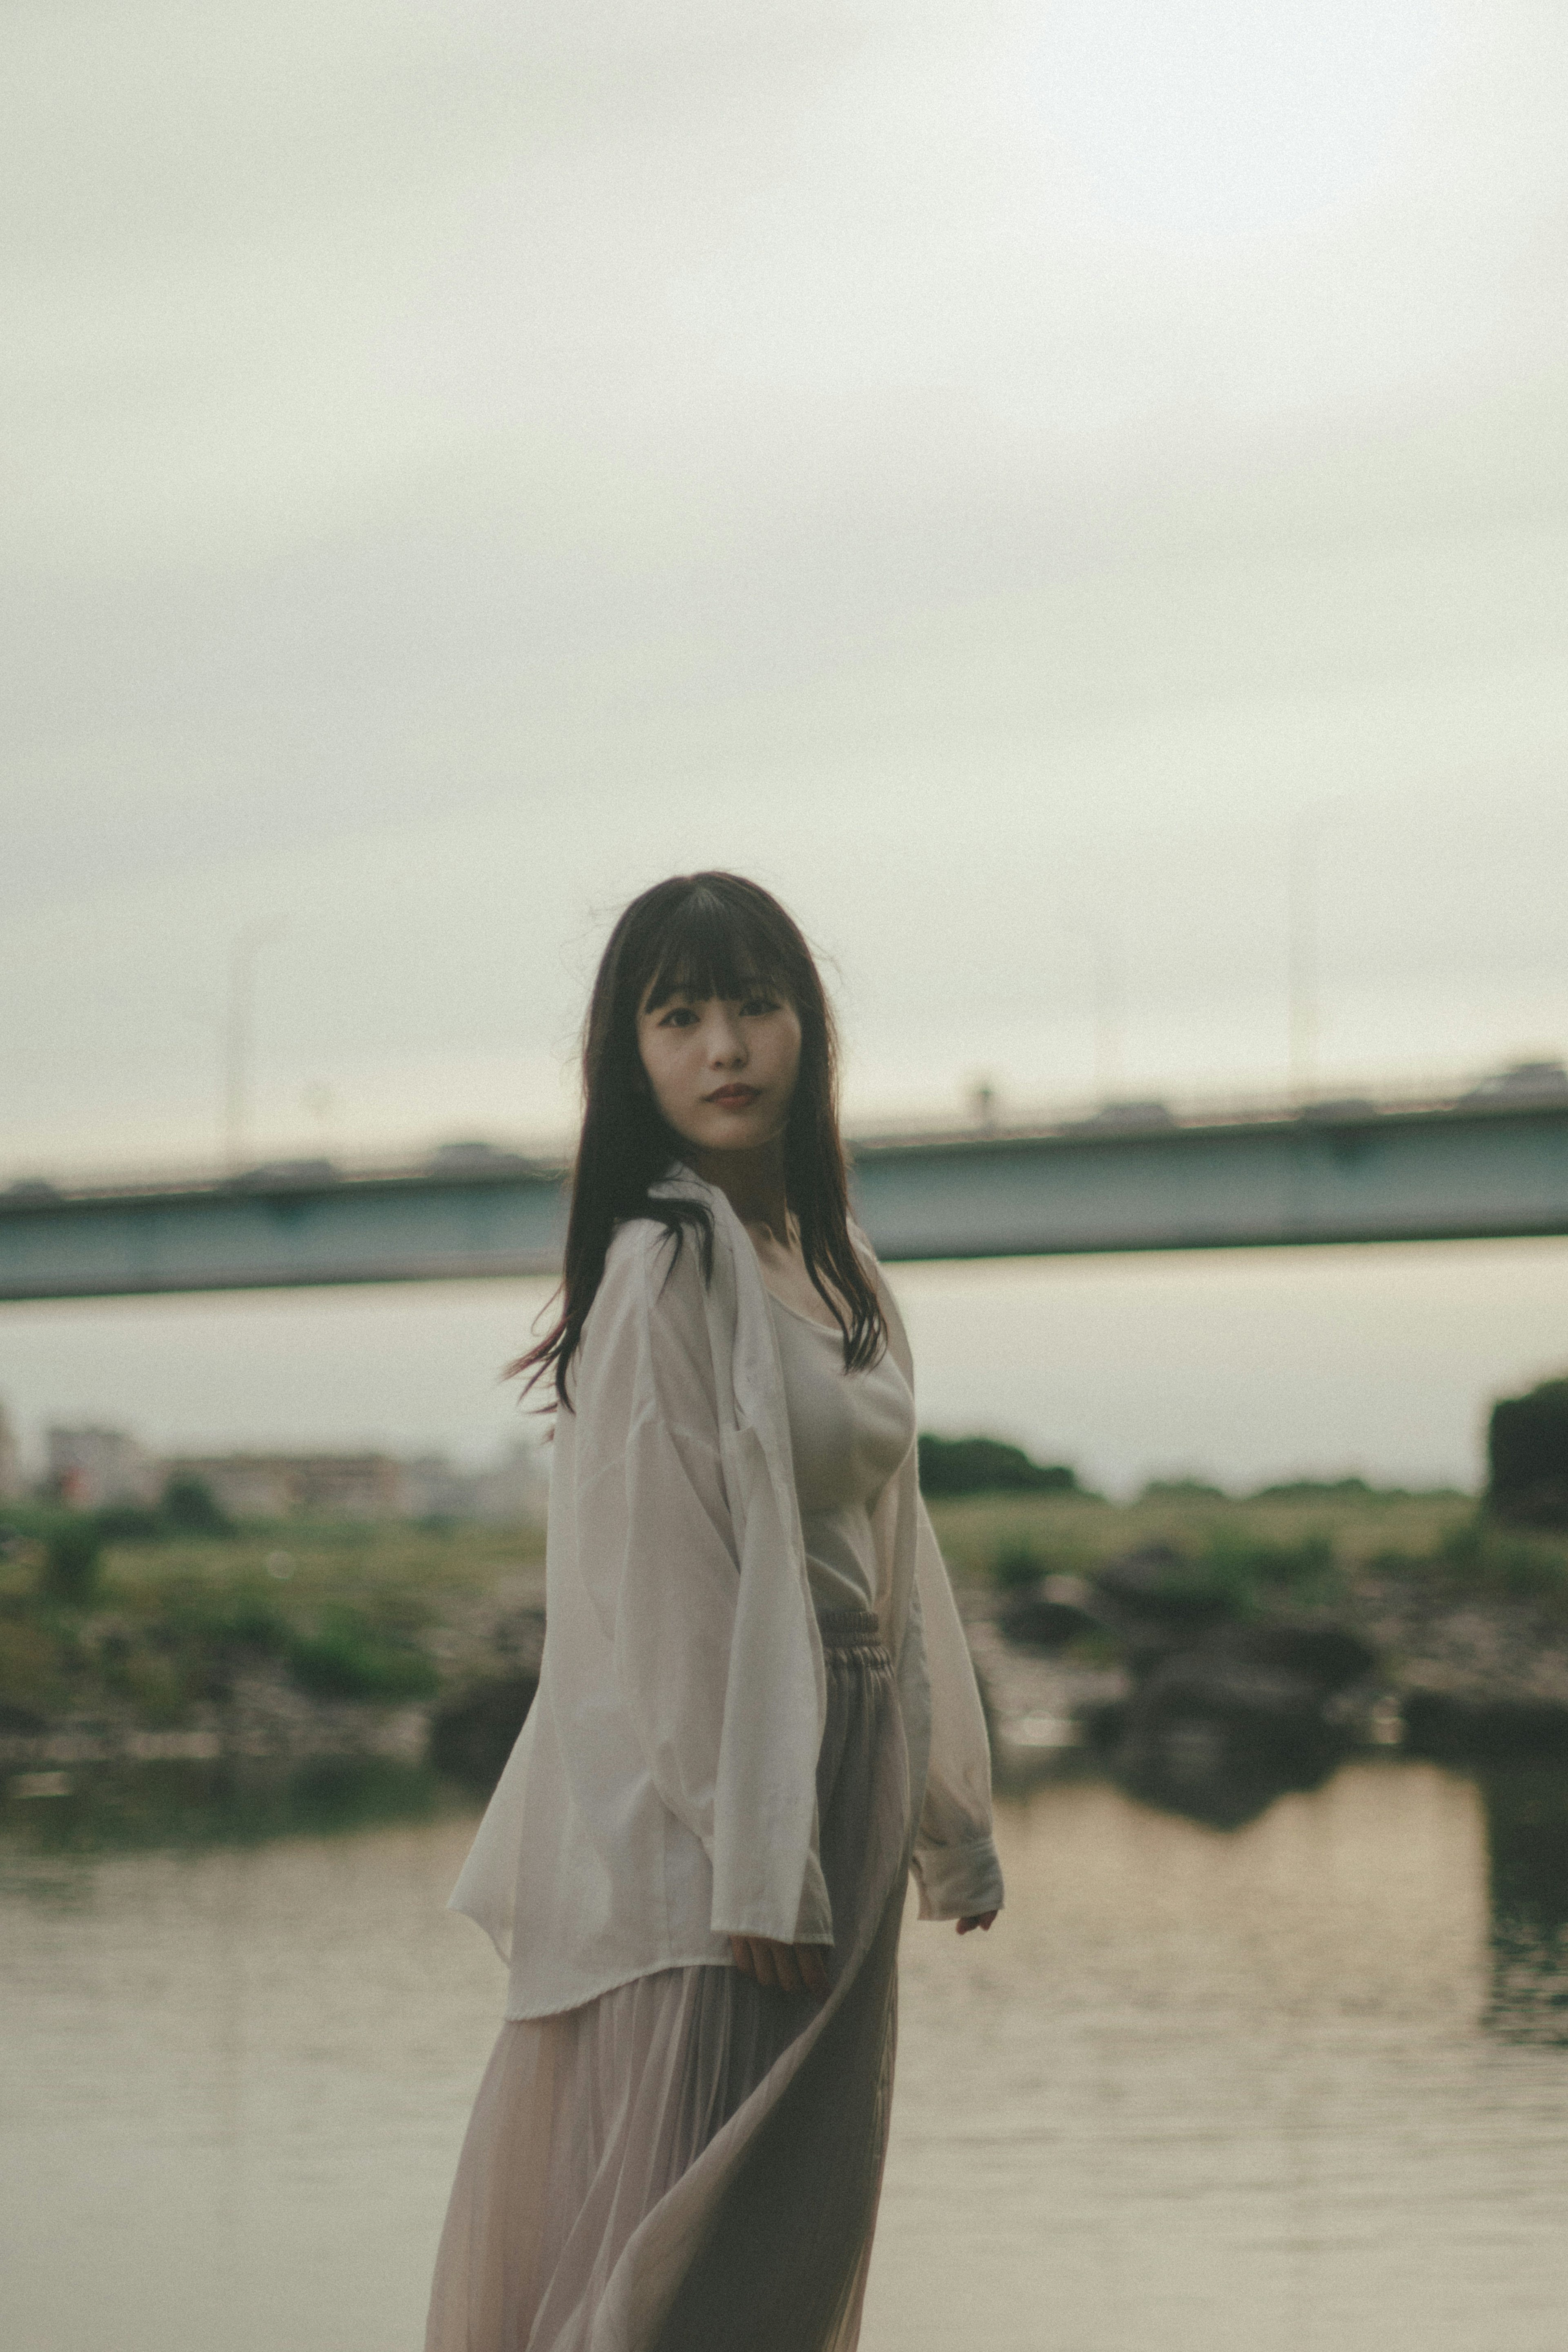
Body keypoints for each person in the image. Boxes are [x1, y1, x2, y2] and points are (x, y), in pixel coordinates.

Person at [425, 872, 1003, 2352]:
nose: (725, 1047)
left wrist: (951, 1816)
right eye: (679, 1017)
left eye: (755, 1005)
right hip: (719, 1817)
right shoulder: (660, 1272)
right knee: (687, 2240)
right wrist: (752, 1862)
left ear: (809, 1031)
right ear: (633, 1060)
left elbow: (898, 1544)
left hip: (847, 1769)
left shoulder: (840, 1268)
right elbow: (659, 1596)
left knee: (795, 2231)